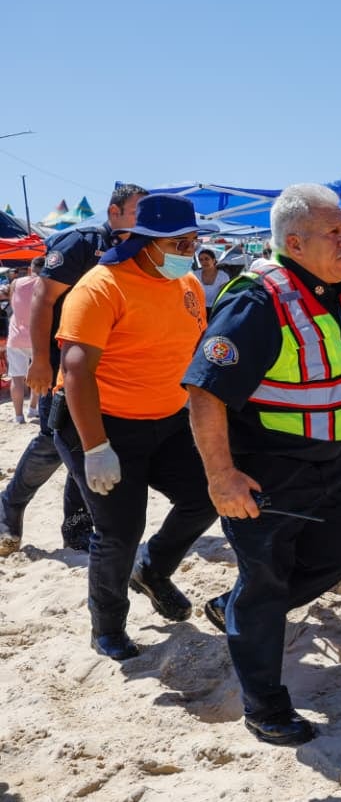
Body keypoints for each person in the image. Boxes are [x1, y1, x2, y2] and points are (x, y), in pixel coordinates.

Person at [184, 183, 341, 746]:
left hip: (332, 463)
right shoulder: (256, 300)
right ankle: (265, 707)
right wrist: (220, 477)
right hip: (267, 471)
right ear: (294, 242)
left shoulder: (338, 291)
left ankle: (237, 610)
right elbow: (205, 392)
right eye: (335, 233)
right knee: (267, 585)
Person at [54, 194, 217, 661]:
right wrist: (96, 446)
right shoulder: (101, 286)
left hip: (167, 419)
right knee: (120, 530)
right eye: (179, 241)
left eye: (193, 240)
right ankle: (107, 626)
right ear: (142, 242)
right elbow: (77, 371)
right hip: (101, 424)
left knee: (208, 495)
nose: (189, 249)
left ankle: (154, 568)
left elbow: (194, 349)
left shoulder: (187, 284)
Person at [0, 184, 145, 558]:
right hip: (64, 360)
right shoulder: (81, 244)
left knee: (88, 442)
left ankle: (76, 529)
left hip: (109, 362)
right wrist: (40, 360)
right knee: (53, 441)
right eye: (137, 211)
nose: (144, 220)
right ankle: (10, 505)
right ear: (114, 213)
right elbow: (42, 301)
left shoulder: (140, 250)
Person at [6, 257, 42, 424]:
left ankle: (18, 416)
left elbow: (13, 303)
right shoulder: (47, 284)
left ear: (30, 269)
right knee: (37, 376)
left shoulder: (16, 283)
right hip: (38, 337)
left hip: (16, 335)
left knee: (17, 378)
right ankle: (33, 409)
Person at [197, 247, 231, 314]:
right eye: (201, 260)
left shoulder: (223, 276)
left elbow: (224, 294)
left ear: (214, 260)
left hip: (216, 309)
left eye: (206, 259)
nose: (204, 262)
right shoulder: (195, 275)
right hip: (198, 308)